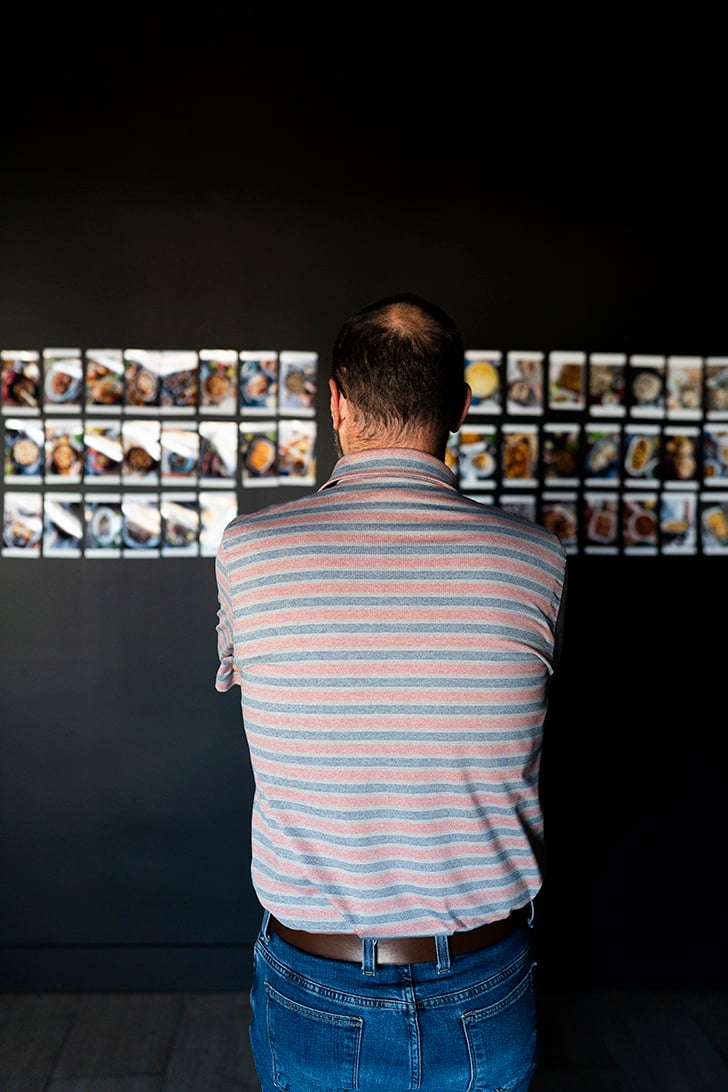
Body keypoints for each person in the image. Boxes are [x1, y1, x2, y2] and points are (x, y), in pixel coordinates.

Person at [214, 292, 568, 1092]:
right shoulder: (538, 560)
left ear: (334, 402)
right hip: (487, 974)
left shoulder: (249, 553)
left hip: (315, 975)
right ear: (462, 410)